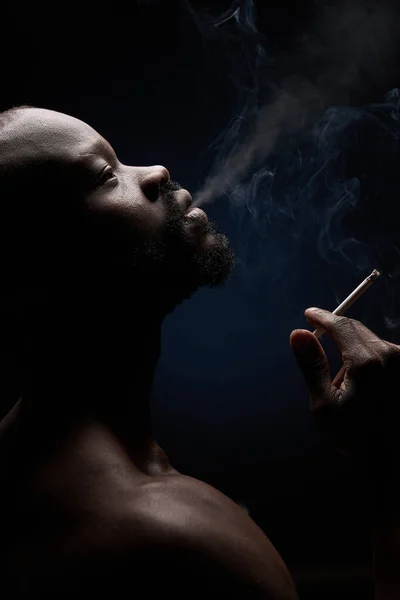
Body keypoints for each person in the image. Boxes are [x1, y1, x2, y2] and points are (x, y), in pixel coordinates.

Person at [0, 107, 398, 598]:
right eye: (105, 175)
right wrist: (389, 464)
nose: (156, 172)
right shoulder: (182, 541)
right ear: (34, 271)